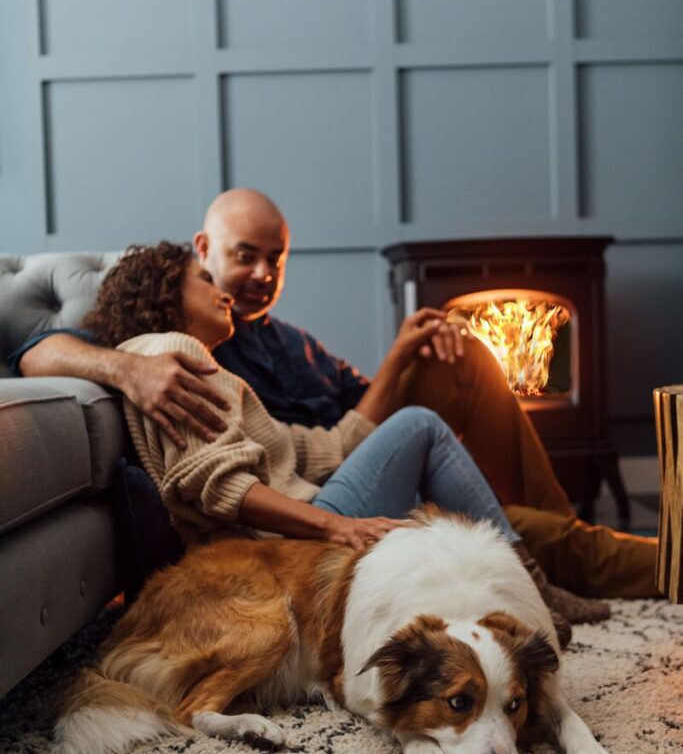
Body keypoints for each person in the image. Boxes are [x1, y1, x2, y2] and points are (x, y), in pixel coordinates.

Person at [13, 190, 658, 608]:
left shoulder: (286, 343)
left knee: (462, 365)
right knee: (530, 522)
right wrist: (128, 370)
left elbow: (331, 439)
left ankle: (536, 527)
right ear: (202, 254)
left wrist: (405, 353)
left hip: (339, 476)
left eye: (277, 259)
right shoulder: (165, 355)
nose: (257, 278)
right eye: (239, 260)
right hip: (312, 516)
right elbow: (36, 353)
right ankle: (553, 565)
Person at [79, 241, 580, 645]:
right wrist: (339, 525)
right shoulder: (173, 353)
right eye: (205, 280)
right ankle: (531, 587)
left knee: (416, 428)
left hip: (294, 522)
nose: (224, 294)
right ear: (168, 294)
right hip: (279, 546)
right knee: (422, 423)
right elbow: (222, 487)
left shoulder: (193, 364)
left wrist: (398, 358)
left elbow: (319, 450)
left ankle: (528, 580)